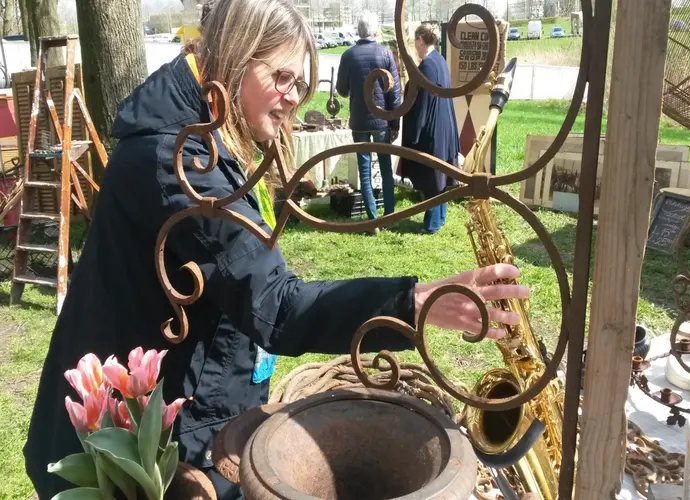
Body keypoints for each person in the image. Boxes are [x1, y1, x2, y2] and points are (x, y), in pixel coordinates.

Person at [23, 1, 529, 499]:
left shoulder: (205, 136)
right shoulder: (177, 163)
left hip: (183, 414)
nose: (293, 98)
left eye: (302, 84)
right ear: (237, 57)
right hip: (130, 450)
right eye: (282, 78)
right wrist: (413, 301)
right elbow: (276, 304)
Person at [336, 11, 400, 229]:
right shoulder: (385, 53)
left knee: (364, 171)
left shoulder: (348, 55)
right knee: (385, 169)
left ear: (358, 30)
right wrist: (395, 122)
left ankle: (372, 219)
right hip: (382, 120)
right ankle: (389, 215)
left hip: (359, 121)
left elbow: (342, 90)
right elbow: (395, 92)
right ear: (375, 30)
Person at [400, 23, 460, 234]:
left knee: (431, 174)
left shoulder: (426, 66)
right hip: (444, 125)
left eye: (414, 43)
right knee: (440, 172)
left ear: (419, 41)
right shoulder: (440, 60)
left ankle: (432, 223)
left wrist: (413, 135)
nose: (414, 47)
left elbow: (422, 104)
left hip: (432, 128)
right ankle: (441, 217)